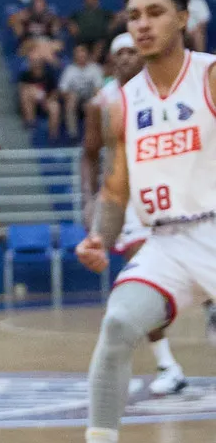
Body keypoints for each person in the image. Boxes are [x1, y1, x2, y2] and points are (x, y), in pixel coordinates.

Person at [74, 0, 216, 443]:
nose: (143, 23)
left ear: (182, 19)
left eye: (156, 12)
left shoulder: (209, 75)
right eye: (134, 15)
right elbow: (115, 190)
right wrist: (99, 240)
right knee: (117, 326)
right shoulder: (124, 101)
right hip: (166, 243)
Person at [81, 32, 191, 398]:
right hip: (127, 201)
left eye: (132, 52)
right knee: (138, 275)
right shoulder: (101, 103)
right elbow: (89, 153)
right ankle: (167, 364)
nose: (127, 58)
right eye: (120, 54)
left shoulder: (169, 89)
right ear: (112, 61)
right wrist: (89, 199)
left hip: (173, 193)